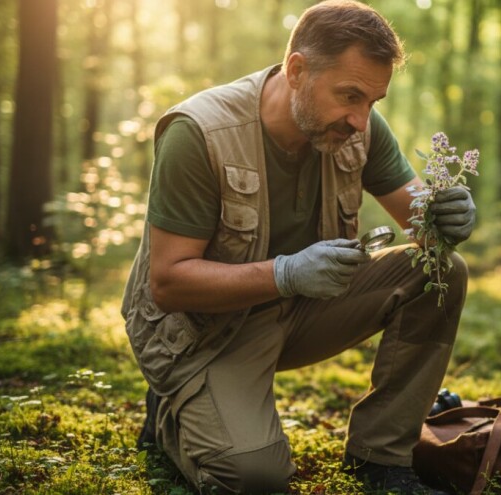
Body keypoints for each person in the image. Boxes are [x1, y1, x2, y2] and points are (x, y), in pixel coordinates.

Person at [121, 1, 476, 493]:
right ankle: (170, 416)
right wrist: (286, 273)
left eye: (373, 101)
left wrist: (448, 217)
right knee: (254, 478)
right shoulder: (198, 133)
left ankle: (380, 457)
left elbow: (420, 223)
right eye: (349, 95)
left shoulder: (356, 125)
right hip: (203, 332)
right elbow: (168, 283)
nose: (360, 119)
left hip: (297, 311)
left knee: (443, 269)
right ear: (296, 70)